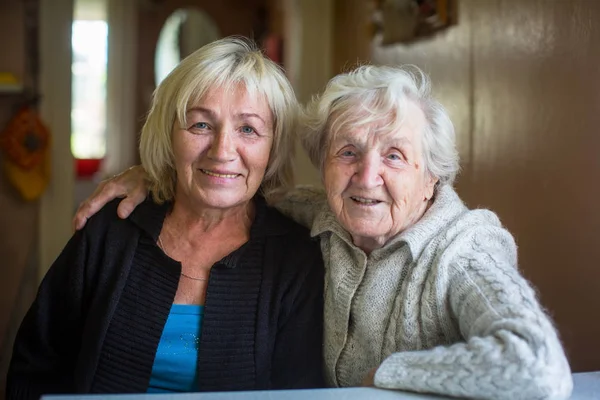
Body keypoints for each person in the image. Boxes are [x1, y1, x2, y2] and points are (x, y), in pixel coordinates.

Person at [72, 64, 573, 400]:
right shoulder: (325, 217)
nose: (366, 176)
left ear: (432, 177)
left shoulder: (462, 250)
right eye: (348, 152)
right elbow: (231, 185)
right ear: (324, 166)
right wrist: (154, 176)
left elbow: (537, 367)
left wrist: (391, 375)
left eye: (395, 155)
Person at [7, 37, 325, 399]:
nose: (222, 151)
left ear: (273, 147)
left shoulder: (296, 261)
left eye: (248, 129)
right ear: (169, 135)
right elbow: (35, 368)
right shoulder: (110, 232)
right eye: (201, 125)